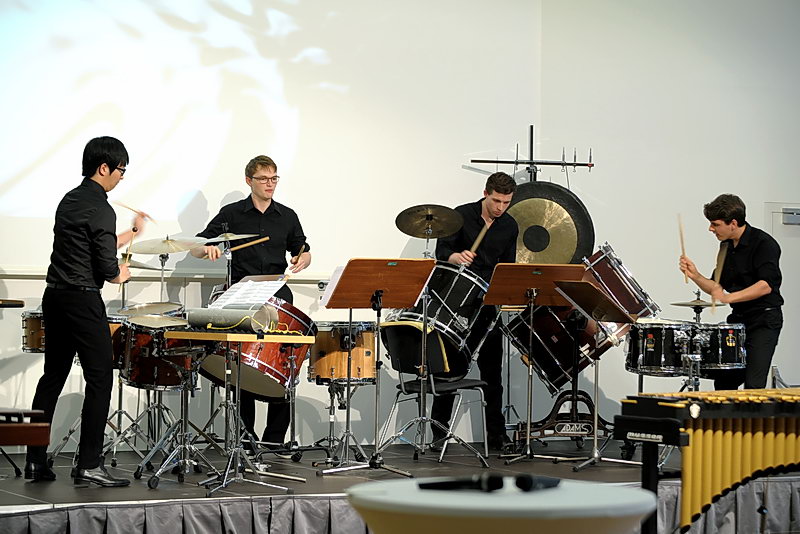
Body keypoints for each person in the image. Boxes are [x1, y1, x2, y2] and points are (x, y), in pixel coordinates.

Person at [26, 136, 147, 486]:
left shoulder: (70, 200)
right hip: (82, 300)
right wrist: (121, 274)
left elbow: (90, 243)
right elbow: (108, 269)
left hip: (55, 297)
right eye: (120, 170)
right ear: (104, 167)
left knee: (52, 377)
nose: (121, 177)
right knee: (100, 377)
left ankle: (35, 461)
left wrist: (130, 233)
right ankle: (90, 463)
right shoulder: (103, 208)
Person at [192, 155, 311, 455]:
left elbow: (303, 249)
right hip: (241, 296)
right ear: (249, 181)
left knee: (281, 366)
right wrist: (207, 249)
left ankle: (274, 440)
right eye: (264, 179)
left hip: (277, 295)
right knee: (242, 367)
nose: (270, 184)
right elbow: (197, 245)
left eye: (274, 178)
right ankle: (245, 440)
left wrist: (304, 258)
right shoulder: (231, 214)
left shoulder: (287, 216)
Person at [430, 171, 518, 451]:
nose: (500, 208)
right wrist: (455, 257)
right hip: (457, 303)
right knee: (450, 372)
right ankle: (439, 433)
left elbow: (508, 267)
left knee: (493, 374)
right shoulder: (460, 216)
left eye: (506, 202)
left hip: (487, 305)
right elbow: (442, 252)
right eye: (496, 201)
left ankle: (497, 435)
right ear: (485, 193)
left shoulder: (509, 226)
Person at [679, 193, 783, 390]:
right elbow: (716, 287)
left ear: (733, 223)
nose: (711, 229)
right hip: (738, 320)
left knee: (753, 385)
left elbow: (765, 285)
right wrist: (695, 275)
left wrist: (729, 297)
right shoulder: (725, 246)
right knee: (725, 382)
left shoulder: (764, 243)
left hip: (763, 321)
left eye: (715, 224)